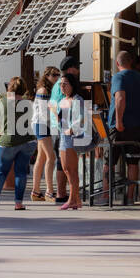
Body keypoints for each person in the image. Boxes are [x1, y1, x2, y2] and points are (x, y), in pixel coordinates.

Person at [0, 76, 35, 210]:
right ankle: (18, 203)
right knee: (21, 172)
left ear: (9, 88)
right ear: (23, 89)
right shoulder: (28, 103)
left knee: (1, 171)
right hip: (27, 141)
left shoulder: (3, 102)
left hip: (8, 141)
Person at [108, 49, 140, 203]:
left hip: (119, 126)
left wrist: (118, 121)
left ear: (117, 63)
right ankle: (130, 197)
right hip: (136, 124)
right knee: (133, 162)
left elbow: (119, 99)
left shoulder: (118, 76)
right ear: (131, 62)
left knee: (109, 161)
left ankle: (106, 196)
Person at [47, 54, 80, 203]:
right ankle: (62, 193)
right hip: (62, 127)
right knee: (64, 163)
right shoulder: (64, 84)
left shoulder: (58, 84)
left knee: (63, 162)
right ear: (70, 69)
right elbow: (60, 106)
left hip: (59, 126)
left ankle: (66, 194)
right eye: (76, 67)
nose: (78, 70)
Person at [56, 72, 90, 210]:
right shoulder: (62, 101)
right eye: (60, 84)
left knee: (71, 169)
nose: (62, 87)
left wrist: (71, 129)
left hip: (72, 137)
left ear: (72, 85)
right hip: (63, 137)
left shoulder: (77, 100)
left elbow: (81, 118)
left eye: (65, 84)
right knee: (65, 168)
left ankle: (72, 199)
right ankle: (76, 200)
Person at [29, 67, 59, 202]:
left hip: (43, 124)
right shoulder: (43, 90)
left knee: (41, 158)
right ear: (46, 76)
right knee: (51, 157)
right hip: (41, 124)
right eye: (54, 75)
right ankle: (49, 191)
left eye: (58, 75)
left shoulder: (51, 90)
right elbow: (43, 113)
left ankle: (36, 191)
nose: (56, 77)